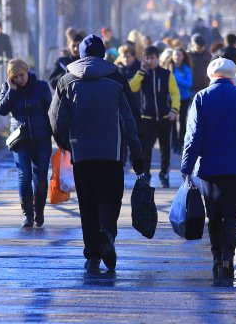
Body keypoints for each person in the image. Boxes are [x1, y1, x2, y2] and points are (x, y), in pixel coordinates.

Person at [50, 36, 145, 271]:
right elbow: (130, 118)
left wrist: (66, 144)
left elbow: (56, 119)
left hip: (81, 154)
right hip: (112, 154)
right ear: (103, 54)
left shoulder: (66, 81)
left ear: (81, 54)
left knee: (87, 202)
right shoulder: (117, 79)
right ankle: (107, 233)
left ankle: (92, 249)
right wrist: (137, 154)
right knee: (110, 199)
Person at [181, 58, 236, 279]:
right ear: (232, 76)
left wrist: (187, 166)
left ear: (211, 76)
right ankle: (229, 258)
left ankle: (216, 259)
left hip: (209, 168)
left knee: (214, 216)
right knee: (231, 216)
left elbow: (193, 136)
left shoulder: (201, 97)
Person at [0, 58, 53, 228]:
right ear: (10, 78)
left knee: (41, 176)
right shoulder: (8, 88)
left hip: (42, 138)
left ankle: (39, 211)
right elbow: (1, 110)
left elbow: (51, 111)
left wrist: (58, 134)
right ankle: (28, 215)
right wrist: (12, 91)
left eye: (22, 75)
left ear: (27, 71)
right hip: (20, 139)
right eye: (15, 77)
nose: (20, 79)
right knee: (24, 174)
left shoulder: (41, 86)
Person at [129, 46, 180, 188]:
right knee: (146, 149)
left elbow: (175, 93)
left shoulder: (166, 74)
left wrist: (174, 110)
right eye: (147, 58)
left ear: (158, 58)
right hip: (147, 118)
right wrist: (141, 72)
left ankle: (164, 175)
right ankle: (146, 174)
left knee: (165, 149)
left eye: (152, 58)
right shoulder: (142, 74)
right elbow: (132, 88)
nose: (149, 61)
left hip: (164, 118)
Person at [165, 48, 193, 156]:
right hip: (171, 99)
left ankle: (181, 143)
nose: (176, 57)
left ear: (183, 57)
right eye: (175, 55)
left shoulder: (186, 69)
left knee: (182, 121)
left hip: (184, 98)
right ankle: (174, 143)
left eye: (179, 55)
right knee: (171, 121)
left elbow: (189, 84)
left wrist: (175, 79)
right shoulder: (168, 68)